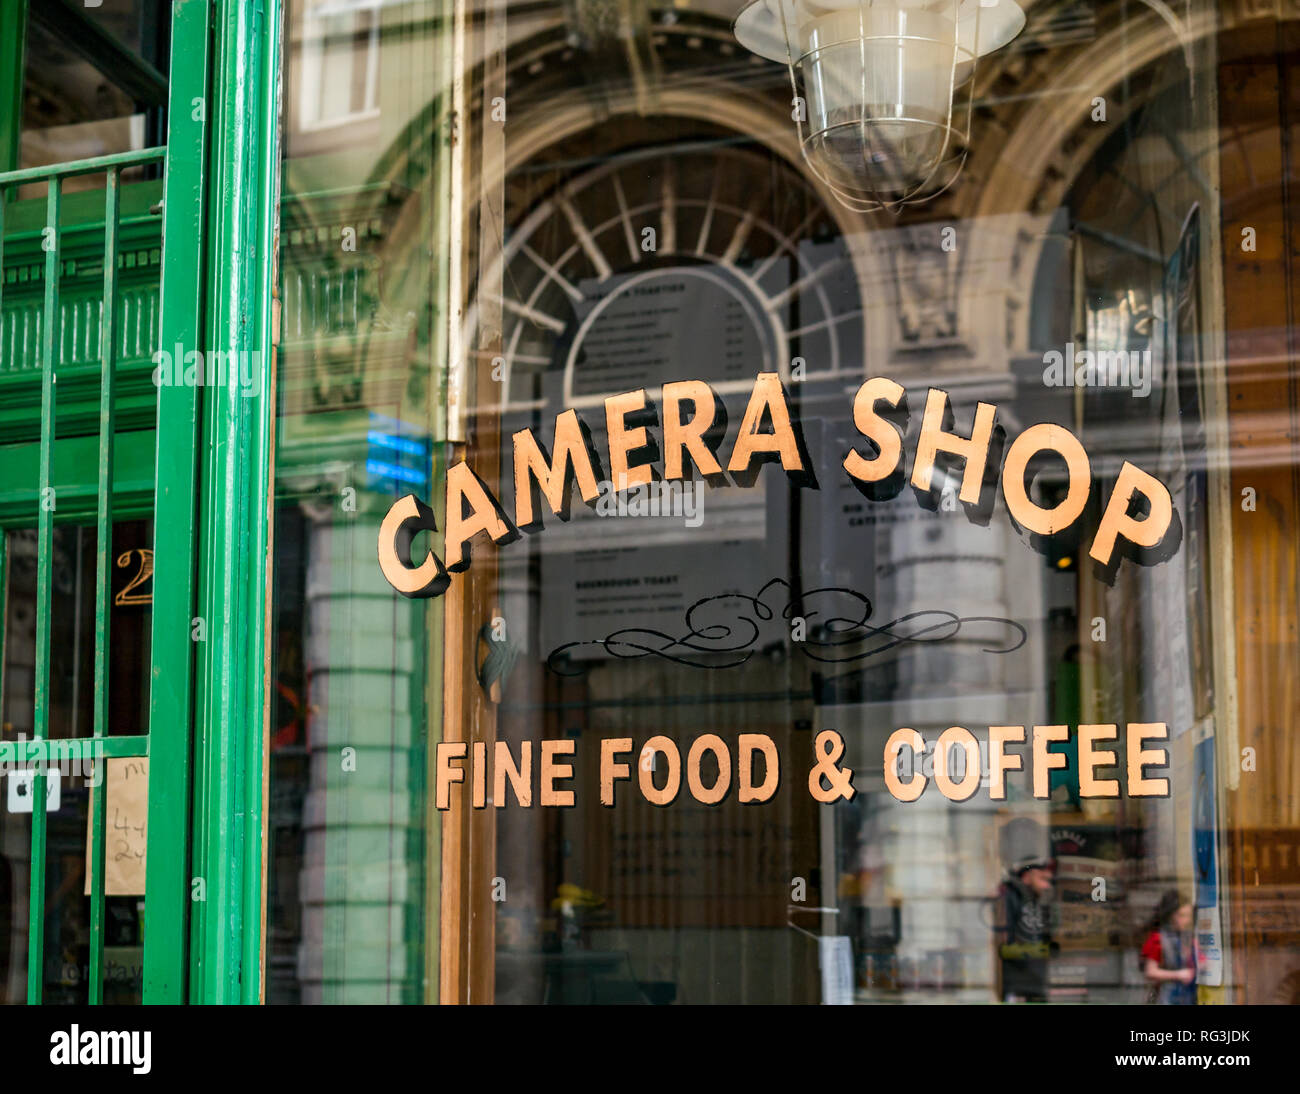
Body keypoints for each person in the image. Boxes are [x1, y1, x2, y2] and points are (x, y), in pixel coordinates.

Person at [998, 857, 1056, 1002]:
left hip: (1033, 982)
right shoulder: (1010, 898)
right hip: (1018, 984)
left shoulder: (1033, 900)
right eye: (1042, 879)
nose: (1046, 886)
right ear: (1027, 876)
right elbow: (1006, 945)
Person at [1141, 890, 1198, 1004]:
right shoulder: (1158, 939)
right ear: (1171, 916)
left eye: (1189, 916)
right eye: (1182, 915)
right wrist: (1178, 975)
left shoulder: (1188, 937)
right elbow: (1150, 971)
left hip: (1187, 996)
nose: (1187, 920)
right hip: (1168, 997)